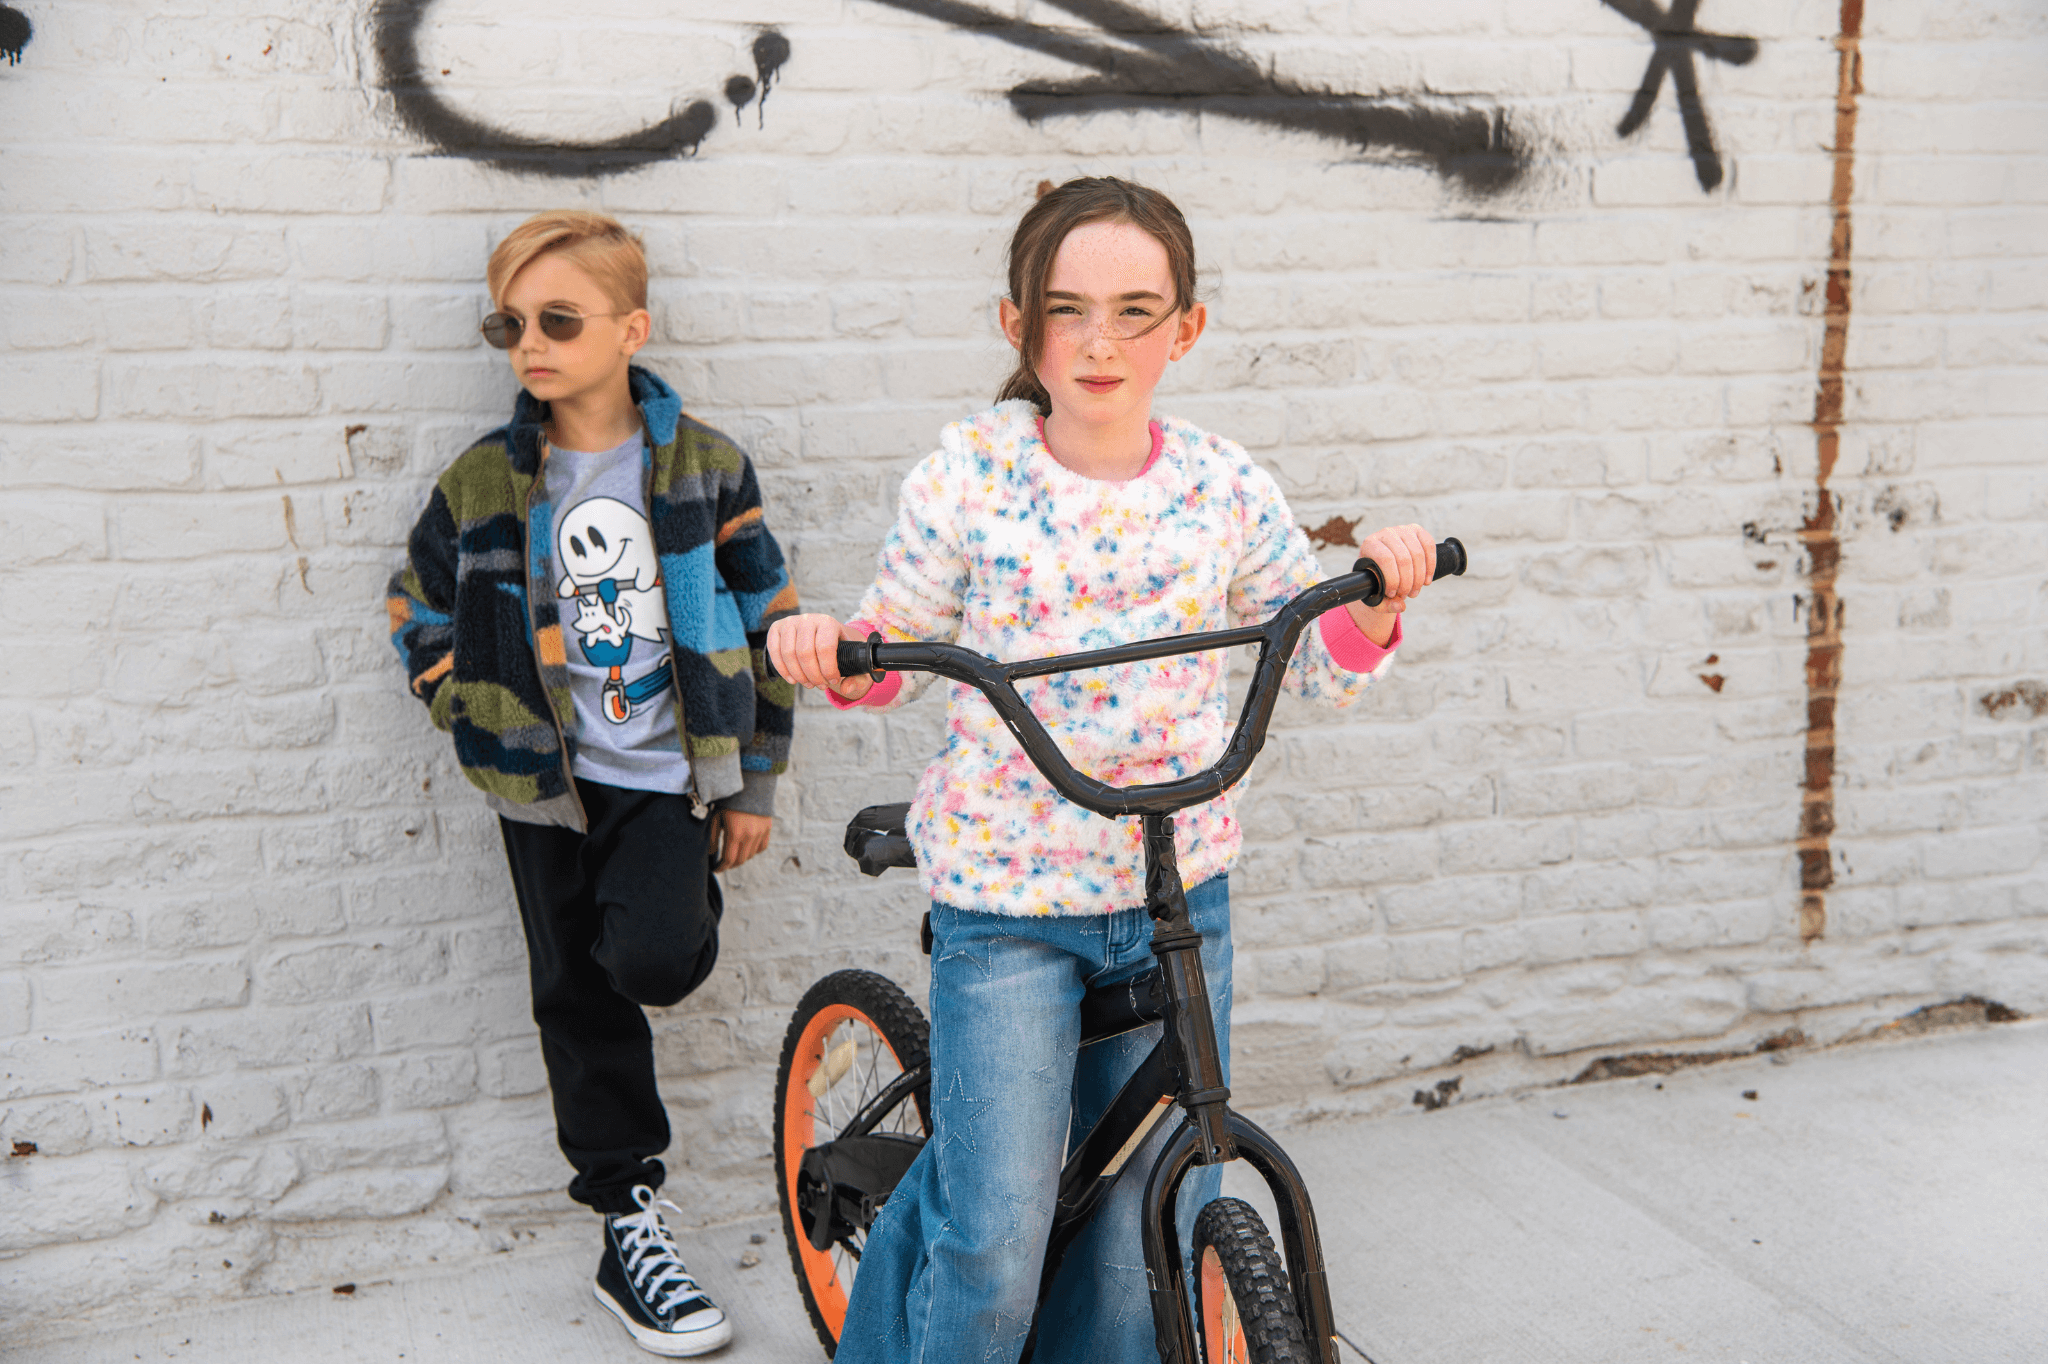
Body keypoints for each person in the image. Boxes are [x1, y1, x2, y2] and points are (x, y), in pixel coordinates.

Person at [767, 177, 1436, 1364]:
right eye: (1066, 308)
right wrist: (830, 647)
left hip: (1177, 887)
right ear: (1016, 324)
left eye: (1136, 310)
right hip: (1012, 905)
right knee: (994, 1231)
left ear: (1186, 328)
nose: (1098, 340)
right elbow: (891, 647)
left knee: (1148, 1214)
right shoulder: (969, 478)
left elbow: (1319, 647)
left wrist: (1377, 595)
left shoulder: (1221, 486)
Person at [386, 210, 797, 1358]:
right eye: (508, 323)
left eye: (557, 320)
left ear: (630, 328)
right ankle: (626, 1219)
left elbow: (773, 620)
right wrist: (460, 697)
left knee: (656, 959)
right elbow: (415, 606)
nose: (530, 343)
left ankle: (667, 917)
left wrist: (751, 782)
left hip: (665, 778)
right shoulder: (482, 481)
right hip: (540, 786)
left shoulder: (705, 467)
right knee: (573, 994)